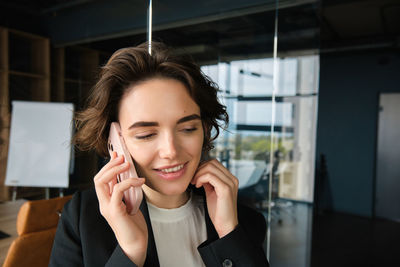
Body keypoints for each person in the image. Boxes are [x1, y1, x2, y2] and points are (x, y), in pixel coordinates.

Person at [49, 42, 269, 267]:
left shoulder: (242, 219)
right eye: (146, 135)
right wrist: (131, 251)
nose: (171, 151)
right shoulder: (83, 219)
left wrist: (229, 234)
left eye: (187, 129)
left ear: (204, 128)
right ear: (116, 140)